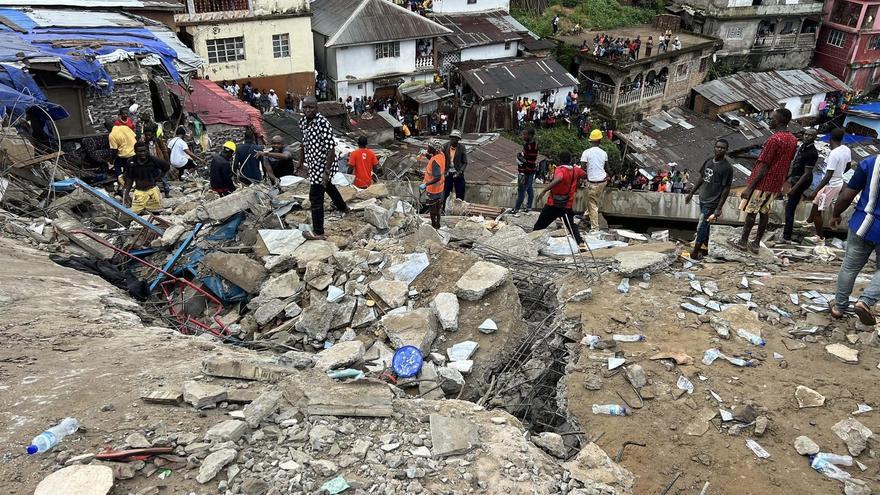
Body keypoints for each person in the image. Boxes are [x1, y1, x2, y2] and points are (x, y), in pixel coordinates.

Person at [730, 108, 797, 253]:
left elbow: (764, 165)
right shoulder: (792, 139)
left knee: (751, 212)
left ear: (779, 121)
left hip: (763, 182)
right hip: (775, 183)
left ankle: (743, 241)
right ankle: (756, 243)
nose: (770, 121)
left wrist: (750, 187)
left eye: (772, 118)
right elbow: (789, 163)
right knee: (764, 212)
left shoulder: (774, 140)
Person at [829, 153, 880, 325]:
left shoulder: (870, 163)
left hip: (862, 224)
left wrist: (836, 214)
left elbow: (846, 196)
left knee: (850, 266)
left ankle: (839, 307)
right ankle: (865, 301)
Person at [299, 96, 349, 240]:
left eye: (311, 107)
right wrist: (301, 161)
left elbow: (331, 150)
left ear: (317, 108)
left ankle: (318, 232)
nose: (307, 110)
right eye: (305, 107)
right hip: (312, 164)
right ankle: (343, 207)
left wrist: (326, 172)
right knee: (328, 187)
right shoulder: (302, 122)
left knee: (315, 197)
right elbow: (303, 143)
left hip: (323, 164)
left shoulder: (323, 123)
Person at [685, 139, 733, 259]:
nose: (719, 149)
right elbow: (702, 177)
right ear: (714, 147)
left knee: (702, 226)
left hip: (712, 202)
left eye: (722, 148)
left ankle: (695, 252)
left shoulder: (727, 168)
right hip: (703, 198)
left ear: (726, 150)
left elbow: (726, 189)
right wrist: (691, 193)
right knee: (706, 226)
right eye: (718, 147)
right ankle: (707, 247)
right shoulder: (708, 161)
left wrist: (719, 208)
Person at [803, 128, 851, 244]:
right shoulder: (846, 149)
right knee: (816, 202)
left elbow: (828, 176)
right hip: (836, 181)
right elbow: (848, 166)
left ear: (830, 138)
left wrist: (816, 190)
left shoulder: (834, 154)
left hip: (830, 185)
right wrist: (839, 174)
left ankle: (820, 237)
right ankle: (809, 220)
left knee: (819, 209)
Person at [533, 150, 586, 249]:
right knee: (571, 225)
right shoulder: (576, 170)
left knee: (539, 226)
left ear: (559, 160)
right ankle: (580, 243)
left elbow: (559, 178)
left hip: (553, 204)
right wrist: (577, 182)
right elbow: (584, 174)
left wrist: (544, 190)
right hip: (567, 204)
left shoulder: (560, 169)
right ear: (570, 160)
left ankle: (532, 243)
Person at [782, 128, 819, 243]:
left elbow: (807, 173)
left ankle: (786, 236)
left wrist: (794, 188)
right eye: (806, 134)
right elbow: (796, 164)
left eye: (810, 135)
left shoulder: (812, 153)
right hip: (796, 177)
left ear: (814, 138)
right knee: (789, 207)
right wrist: (788, 176)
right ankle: (786, 234)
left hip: (802, 181)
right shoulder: (802, 147)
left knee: (790, 207)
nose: (807, 137)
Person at [123, 142, 170, 214]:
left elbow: (166, 167)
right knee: (134, 214)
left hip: (152, 191)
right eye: (140, 151)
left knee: (156, 213)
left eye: (144, 151)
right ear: (135, 152)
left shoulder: (153, 160)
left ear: (147, 150)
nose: (143, 153)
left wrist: (158, 177)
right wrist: (126, 194)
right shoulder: (131, 162)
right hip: (139, 192)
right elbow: (130, 178)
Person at [580, 129, 609, 231]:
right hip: (602, 182)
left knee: (592, 204)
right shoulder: (604, 153)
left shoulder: (586, 153)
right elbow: (606, 168)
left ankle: (595, 228)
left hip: (592, 182)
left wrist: (581, 179)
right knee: (593, 201)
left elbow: (582, 169)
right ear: (600, 140)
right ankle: (585, 216)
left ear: (591, 141)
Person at [420, 139, 445, 229]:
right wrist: (426, 155)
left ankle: (434, 226)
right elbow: (433, 159)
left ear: (434, 148)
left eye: (429, 147)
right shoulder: (441, 155)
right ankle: (438, 224)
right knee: (438, 207)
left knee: (432, 209)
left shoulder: (435, 161)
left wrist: (425, 184)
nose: (427, 148)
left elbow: (437, 177)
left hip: (433, 189)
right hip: (440, 188)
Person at [109, 115, 137, 192]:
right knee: (128, 169)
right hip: (134, 153)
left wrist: (111, 161)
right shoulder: (126, 127)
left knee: (117, 166)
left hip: (124, 155)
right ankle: (131, 183)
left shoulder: (112, 135)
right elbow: (135, 137)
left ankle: (122, 181)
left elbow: (114, 150)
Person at [513, 128, 538, 214]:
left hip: (526, 171)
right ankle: (529, 207)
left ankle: (516, 208)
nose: (523, 136)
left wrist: (520, 157)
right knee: (529, 188)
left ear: (530, 136)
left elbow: (528, 160)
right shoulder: (534, 144)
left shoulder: (528, 146)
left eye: (525, 134)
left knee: (522, 189)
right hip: (531, 170)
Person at [142, 123, 170, 197]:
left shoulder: (158, 141)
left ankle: (167, 191)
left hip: (159, 162)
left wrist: (167, 162)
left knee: (164, 177)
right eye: (146, 135)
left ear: (153, 134)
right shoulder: (144, 143)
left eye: (149, 135)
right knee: (151, 177)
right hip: (150, 163)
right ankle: (153, 193)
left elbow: (164, 151)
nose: (148, 137)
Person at [443, 129, 468, 204]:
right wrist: (444, 171)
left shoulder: (462, 147)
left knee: (460, 192)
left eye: (456, 139)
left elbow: (465, 162)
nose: (454, 140)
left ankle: (459, 210)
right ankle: (445, 209)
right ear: (450, 138)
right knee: (446, 193)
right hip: (448, 173)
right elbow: (441, 159)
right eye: (452, 138)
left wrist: (460, 172)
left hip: (458, 173)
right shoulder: (445, 146)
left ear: (458, 140)